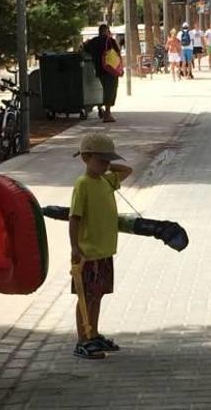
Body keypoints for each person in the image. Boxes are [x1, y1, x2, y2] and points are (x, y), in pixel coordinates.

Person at [69, 133, 133, 359]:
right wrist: (75, 248)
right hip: (88, 252)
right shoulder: (83, 184)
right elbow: (74, 218)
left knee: (98, 295)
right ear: (86, 158)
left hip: (104, 251)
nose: (106, 165)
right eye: (101, 160)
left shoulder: (106, 180)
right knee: (85, 297)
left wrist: (105, 165)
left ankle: (93, 333)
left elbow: (127, 171)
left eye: (108, 160)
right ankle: (83, 339)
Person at [82, 24, 120, 122]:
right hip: (110, 69)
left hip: (99, 69)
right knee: (110, 90)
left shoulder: (93, 41)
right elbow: (117, 53)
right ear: (107, 31)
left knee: (106, 89)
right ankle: (107, 114)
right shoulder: (110, 41)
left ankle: (106, 112)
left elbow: (84, 49)